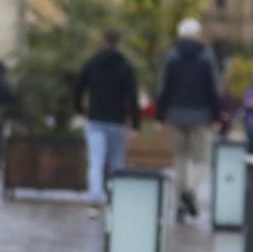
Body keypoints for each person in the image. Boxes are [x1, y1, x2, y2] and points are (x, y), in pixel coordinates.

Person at [155, 18, 221, 223]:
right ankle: (190, 190)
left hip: (176, 113)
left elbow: (164, 87)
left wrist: (160, 114)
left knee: (180, 159)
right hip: (200, 114)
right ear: (197, 34)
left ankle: (181, 204)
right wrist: (216, 115)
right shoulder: (207, 57)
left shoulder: (172, 56)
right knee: (202, 159)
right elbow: (213, 88)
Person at [74, 28, 141, 213]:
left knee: (95, 160)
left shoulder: (93, 63)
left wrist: (79, 110)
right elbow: (132, 96)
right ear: (119, 42)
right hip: (117, 120)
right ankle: (115, 195)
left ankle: (95, 196)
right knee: (117, 161)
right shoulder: (125, 66)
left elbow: (78, 86)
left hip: (96, 118)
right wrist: (135, 123)